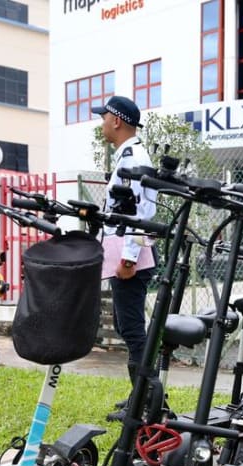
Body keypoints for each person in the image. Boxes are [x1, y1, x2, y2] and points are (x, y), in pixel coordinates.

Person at [91, 95, 157, 398]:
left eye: (103, 117)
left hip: (133, 256)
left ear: (116, 120)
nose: (101, 122)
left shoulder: (134, 159)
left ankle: (150, 399)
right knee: (125, 326)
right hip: (127, 252)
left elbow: (142, 213)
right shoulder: (128, 155)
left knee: (131, 329)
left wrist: (129, 259)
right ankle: (141, 397)